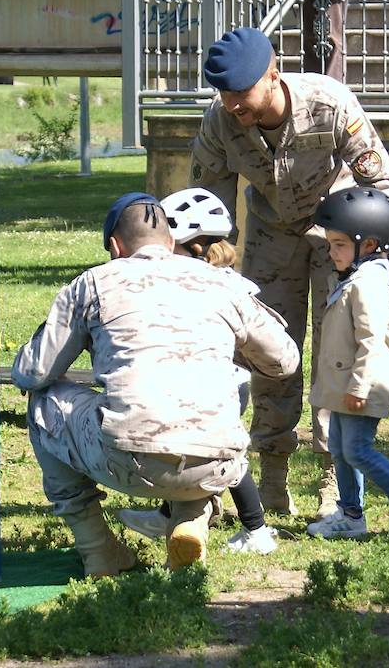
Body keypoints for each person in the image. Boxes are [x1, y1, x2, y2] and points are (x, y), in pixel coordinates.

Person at [190, 27, 389, 519]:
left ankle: (337, 484)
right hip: (271, 238)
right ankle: (272, 479)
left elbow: (387, 185)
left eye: (241, 93)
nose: (232, 105)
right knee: (268, 353)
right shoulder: (220, 123)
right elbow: (208, 210)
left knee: (337, 355)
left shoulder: (329, 103)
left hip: (337, 235)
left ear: (273, 75)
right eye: (223, 94)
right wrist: (204, 266)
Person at [11, 192, 299, 576]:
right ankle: (190, 522)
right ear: (169, 240)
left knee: (43, 402)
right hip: (218, 464)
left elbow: (32, 374)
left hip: (126, 460)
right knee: (227, 387)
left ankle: (99, 550)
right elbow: (285, 361)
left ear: (115, 247)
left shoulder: (92, 284)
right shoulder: (226, 284)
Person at [117, 187, 281, 556]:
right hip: (216, 380)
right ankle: (168, 513)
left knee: (227, 458)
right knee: (185, 441)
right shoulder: (225, 281)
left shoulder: (212, 284)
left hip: (222, 384)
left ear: (187, 245)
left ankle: (256, 529)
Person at [304, 186, 389, 540]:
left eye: (340, 244)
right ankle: (350, 515)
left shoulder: (369, 284)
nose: (332, 252)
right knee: (341, 451)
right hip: (344, 386)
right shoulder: (352, 279)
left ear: (370, 244)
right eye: (330, 244)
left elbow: (371, 340)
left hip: (362, 385)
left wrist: (359, 386)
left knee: (358, 450)